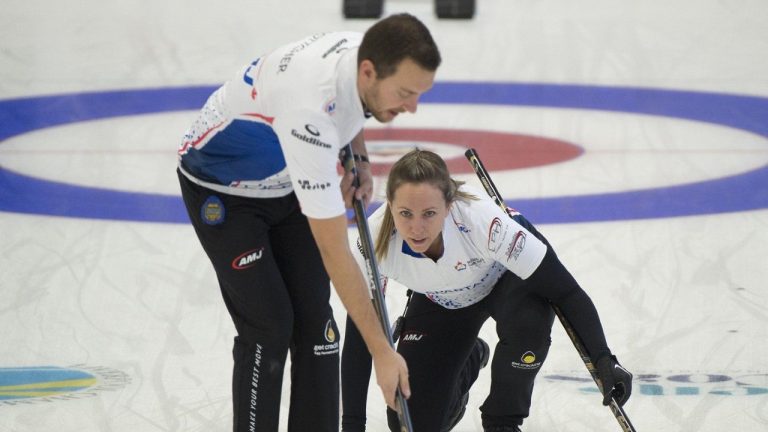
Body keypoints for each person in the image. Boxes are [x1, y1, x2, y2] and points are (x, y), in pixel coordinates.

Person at [175, 14, 441, 432]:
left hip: (286, 178)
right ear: (369, 71)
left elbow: (354, 110)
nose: (412, 107)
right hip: (223, 188)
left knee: (318, 327)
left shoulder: (363, 55)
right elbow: (335, 253)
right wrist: (383, 353)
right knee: (270, 324)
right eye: (406, 93)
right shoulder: (309, 114)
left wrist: (362, 162)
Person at [340, 149, 633, 432]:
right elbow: (361, 330)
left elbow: (565, 292)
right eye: (405, 213)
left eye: (429, 213)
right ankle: (468, 359)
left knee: (530, 324)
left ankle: (502, 419)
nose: (416, 228)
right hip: (442, 297)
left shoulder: (483, 223)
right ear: (389, 205)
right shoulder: (372, 242)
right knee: (410, 423)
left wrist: (604, 359)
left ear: (449, 205)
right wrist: (353, 426)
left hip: (506, 281)